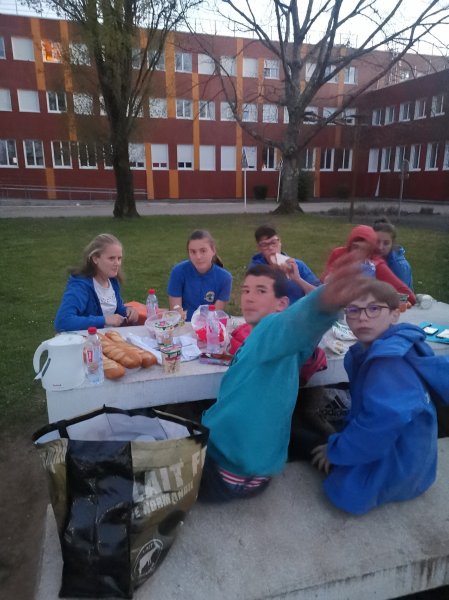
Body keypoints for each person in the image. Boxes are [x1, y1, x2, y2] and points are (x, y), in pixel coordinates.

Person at [199, 253, 371, 502]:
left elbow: (294, 322)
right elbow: (304, 335)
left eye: (261, 291)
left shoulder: (269, 330)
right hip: (260, 468)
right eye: (246, 290)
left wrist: (324, 299)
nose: (249, 297)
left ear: (282, 304)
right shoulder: (286, 347)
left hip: (228, 472)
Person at [311, 279, 449, 515]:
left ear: (395, 314)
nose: (362, 318)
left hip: (401, 459)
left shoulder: (389, 362)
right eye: (353, 310)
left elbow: (380, 424)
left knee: (340, 488)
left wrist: (336, 450)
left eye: (374, 309)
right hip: (413, 453)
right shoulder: (389, 345)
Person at [55, 233, 139, 332]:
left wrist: (128, 311)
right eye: (111, 258)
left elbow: (117, 309)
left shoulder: (112, 280)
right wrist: (104, 320)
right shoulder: (80, 285)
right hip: (88, 339)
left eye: (119, 258)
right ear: (95, 259)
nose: (117, 263)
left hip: (109, 336)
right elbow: (63, 321)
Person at [321, 224, 416, 304]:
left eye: (364, 249)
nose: (357, 253)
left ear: (370, 250)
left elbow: (409, 297)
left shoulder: (376, 265)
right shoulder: (339, 254)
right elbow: (322, 284)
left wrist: (382, 297)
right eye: (355, 247)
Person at [167, 230, 232, 321]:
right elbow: (176, 312)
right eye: (193, 252)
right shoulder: (178, 272)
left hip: (209, 325)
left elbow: (215, 315)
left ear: (213, 250)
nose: (198, 257)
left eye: (203, 251)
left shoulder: (225, 278)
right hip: (184, 325)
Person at [249, 225, 321, 304]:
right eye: (265, 245)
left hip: (299, 310)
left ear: (280, 242)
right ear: (259, 248)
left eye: (274, 242)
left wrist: (298, 279)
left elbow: (320, 296)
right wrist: (275, 274)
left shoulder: (297, 265)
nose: (271, 248)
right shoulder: (256, 269)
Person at [373, 217, 413, 288]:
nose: (380, 247)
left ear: (392, 243)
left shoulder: (400, 266)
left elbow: (402, 293)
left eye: (386, 243)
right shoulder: (368, 257)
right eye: (377, 241)